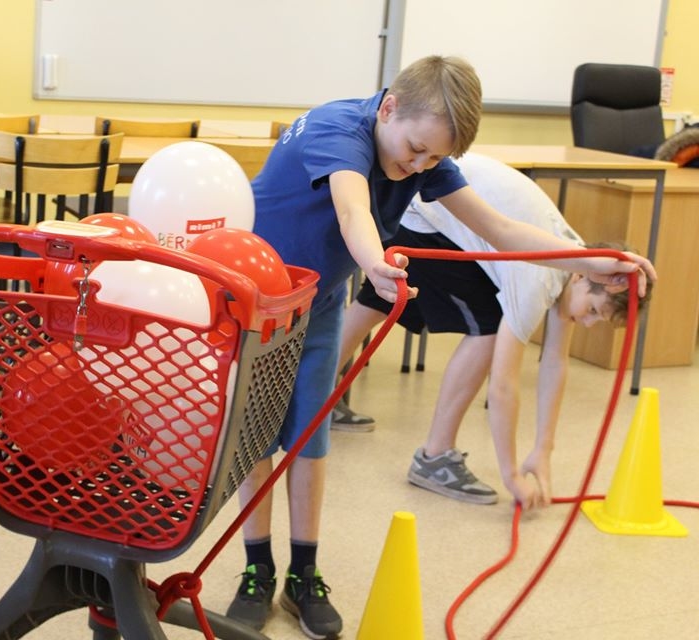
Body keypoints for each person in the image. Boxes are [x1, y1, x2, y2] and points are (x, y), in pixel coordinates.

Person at [225, 55, 656, 639]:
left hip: (320, 301)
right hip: (264, 300)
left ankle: (303, 572)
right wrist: (374, 263)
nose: (419, 167)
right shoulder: (337, 131)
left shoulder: (419, 155)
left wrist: (595, 260)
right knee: (257, 434)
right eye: (415, 149)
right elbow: (353, 208)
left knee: (309, 437)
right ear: (389, 107)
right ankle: (257, 568)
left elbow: (501, 232)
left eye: (435, 158)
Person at [333, 152, 653, 509]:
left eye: (598, 320)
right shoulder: (541, 280)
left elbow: (554, 364)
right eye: (593, 311)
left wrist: (542, 451)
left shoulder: (576, 257)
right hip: (423, 210)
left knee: (378, 302)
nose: (589, 323)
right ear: (583, 277)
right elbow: (502, 385)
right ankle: (435, 456)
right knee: (487, 329)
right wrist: (511, 474)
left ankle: (315, 399)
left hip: (420, 201)